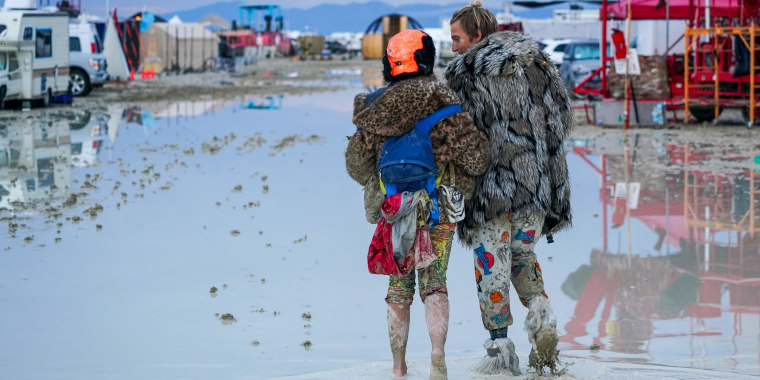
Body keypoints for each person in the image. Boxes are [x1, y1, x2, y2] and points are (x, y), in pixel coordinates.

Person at [345, 29, 490, 379]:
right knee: (435, 282)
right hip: (438, 207)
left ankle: (398, 366)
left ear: (389, 63)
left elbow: (355, 165)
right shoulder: (444, 101)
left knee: (398, 287)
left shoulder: (374, 107)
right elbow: (476, 159)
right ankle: (437, 357)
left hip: (394, 210)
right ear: (427, 59)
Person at [444, 1, 574, 375]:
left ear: (477, 36)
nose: (453, 47)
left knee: (491, 269)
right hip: (536, 188)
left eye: (456, 38)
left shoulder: (465, 74)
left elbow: (458, 139)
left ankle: (500, 349)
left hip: (491, 192)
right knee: (523, 257)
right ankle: (542, 316)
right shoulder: (539, 65)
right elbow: (561, 120)